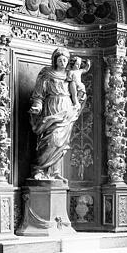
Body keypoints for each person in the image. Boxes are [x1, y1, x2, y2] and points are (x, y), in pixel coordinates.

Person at [29, 47, 81, 181]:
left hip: (66, 109)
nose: (63, 62)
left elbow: (75, 93)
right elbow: (39, 94)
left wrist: (77, 101)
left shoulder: (69, 76)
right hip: (52, 107)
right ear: (55, 60)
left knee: (62, 144)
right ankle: (40, 169)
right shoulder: (47, 74)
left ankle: (54, 171)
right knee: (51, 140)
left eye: (65, 60)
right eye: (60, 59)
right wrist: (37, 106)